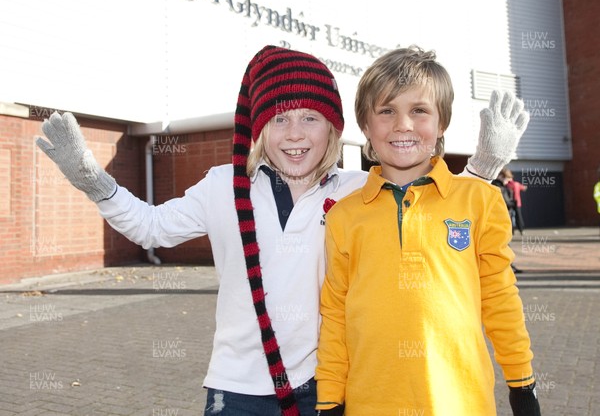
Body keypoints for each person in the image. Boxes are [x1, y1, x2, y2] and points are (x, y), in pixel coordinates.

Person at [36, 45, 529, 416]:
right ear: (259, 128)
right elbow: (150, 228)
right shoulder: (223, 188)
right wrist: (94, 181)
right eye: (280, 118)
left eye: (311, 118)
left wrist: (482, 167)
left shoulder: (359, 189)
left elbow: (434, 205)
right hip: (238, 389)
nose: (295, 133)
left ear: (334, 129)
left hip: (328, 387)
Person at [315, 46, 540, 415]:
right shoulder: (343, 217)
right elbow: (335, 317)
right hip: (370, 404)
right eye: (386, 111)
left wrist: (522, 384)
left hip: (462, 404)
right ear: (366, 127)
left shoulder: (479, 201)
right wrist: (329, 399)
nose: (403, 124)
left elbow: (500, 299)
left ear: (441, 124)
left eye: (419, 111)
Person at [504, 168, 528, 235]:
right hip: (517, 203)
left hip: (510, 203)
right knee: (518, 216)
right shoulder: (517, 184)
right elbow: (524, 188)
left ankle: (512, 231)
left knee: (510, 217)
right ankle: (521, 230)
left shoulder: (506, 185)